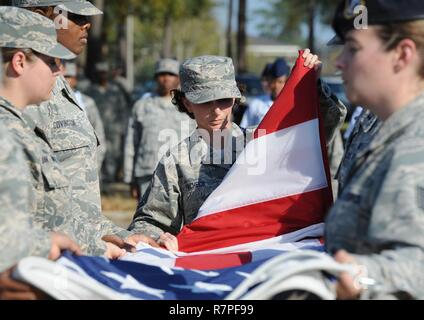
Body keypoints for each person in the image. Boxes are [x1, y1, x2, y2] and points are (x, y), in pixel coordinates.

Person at [127, 52, 334, 251]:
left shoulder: (261, 142)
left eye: (224, 100)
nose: (217, 111)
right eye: (205, 101)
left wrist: (312, 85)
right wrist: (157, 237)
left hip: (262, 259)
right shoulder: (177, 160)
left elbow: (318, 130)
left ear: (236, 99)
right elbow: (150, 221)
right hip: (208, 265)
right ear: (186, 103)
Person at [12, 0, 132, 246]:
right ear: (40, 16)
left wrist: (122, 237)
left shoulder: (58, 85)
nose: (86, 24)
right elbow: (27, 208)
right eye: (74, 16)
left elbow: (74, 204)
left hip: (78, 246)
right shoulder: (19, 93)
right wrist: (97, 248)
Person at [327, 0, 424, 299]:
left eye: (353, 48)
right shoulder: (393, 134)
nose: (339, 62)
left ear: (402, 54)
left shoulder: (417, 143)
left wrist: (364, 275)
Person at [0, 6, 85, 300]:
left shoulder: (18, 125)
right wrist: (42, 244)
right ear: (20, 62)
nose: (60, 71)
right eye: (51, 61)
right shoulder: (4, 133)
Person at [123, 58, 196, 200]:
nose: (165, 78)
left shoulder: (189, 106)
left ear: (178, 78)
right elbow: (131, 142)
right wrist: (130, 178)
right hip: (147, 173)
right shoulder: (142, 106)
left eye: (171, 74)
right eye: (161, 74)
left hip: (182, 173)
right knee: (146, 219)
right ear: (156, 78)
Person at [85, 61, 130, 188]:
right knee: (98, 153)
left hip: (113, 128)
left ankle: (110, 180)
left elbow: (122, 109)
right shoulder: (90, 91)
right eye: (99, 73)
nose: (102, 76)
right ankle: (100, 180)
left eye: (104, 73)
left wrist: (122, 127)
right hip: (96, 129)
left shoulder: (115, 90)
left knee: (113, 154)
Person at [63, 59, 106, 171]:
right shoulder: (48, 101)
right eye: (63, 76)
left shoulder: (87, 102)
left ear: (75, 79)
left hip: (85, 165)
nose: (65, 80)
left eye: (69, 76)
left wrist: (97, 162)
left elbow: (98, 132)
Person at [240, 58, 289, 128]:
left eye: (280, 82)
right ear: (269, 81)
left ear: (286, 82)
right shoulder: (256, 104)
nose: (276, 86)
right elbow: (244, 128)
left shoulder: (290, 105)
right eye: (273, 81)